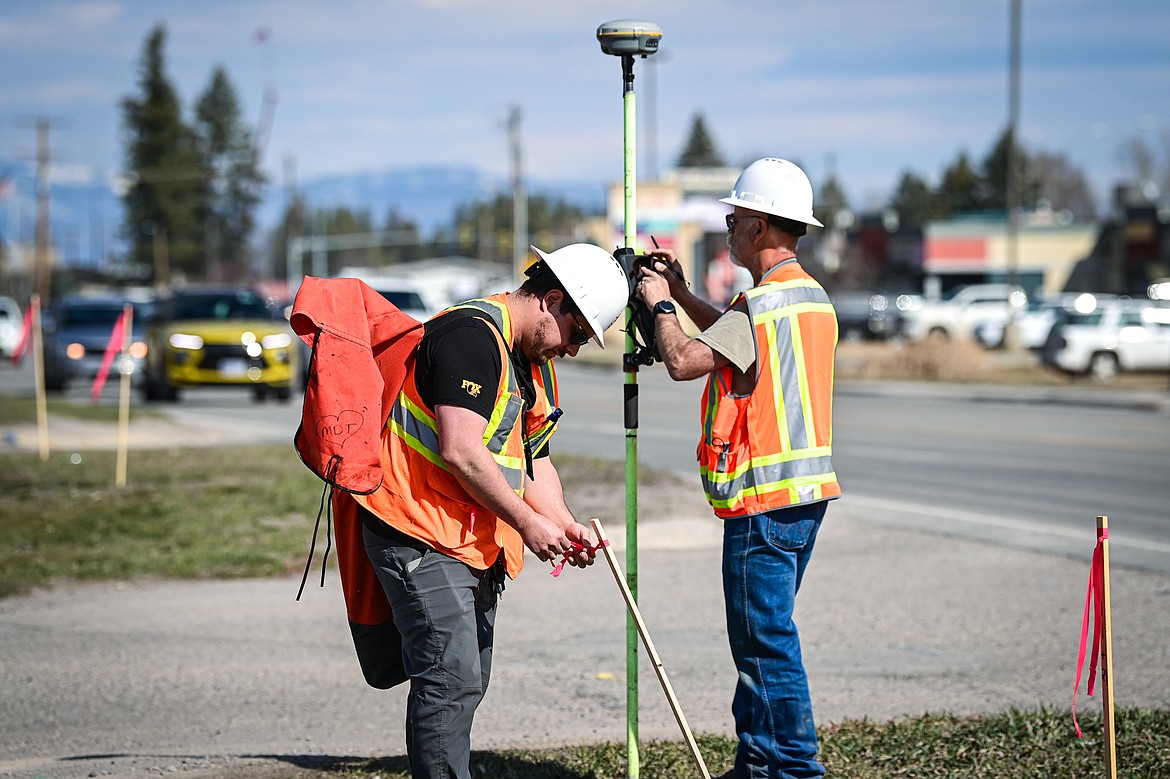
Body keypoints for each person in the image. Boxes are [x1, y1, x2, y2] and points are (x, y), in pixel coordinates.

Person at [354, 243, 629, 779]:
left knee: (468, 674)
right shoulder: (471, 338)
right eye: (577, 334)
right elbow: (462, 449)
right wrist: (528, 523)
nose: (574, 350)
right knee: (449, 675)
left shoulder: (532, 362)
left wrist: (563, 521)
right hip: (416, 527)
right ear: (552, 301)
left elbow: (534, 461)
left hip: (466, 535)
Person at [634, 158, 841, 779]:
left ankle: (794, 768)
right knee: (760, 638)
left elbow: (681, 361)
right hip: (803, 498)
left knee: (764, 642)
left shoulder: (761, 306)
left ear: (757, 225)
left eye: (732, 218)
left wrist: (659, 302)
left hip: (764, 501)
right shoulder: (807, 300)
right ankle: (759, 760)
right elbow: (728, 336)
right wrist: (683, 292)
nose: (727, 229)